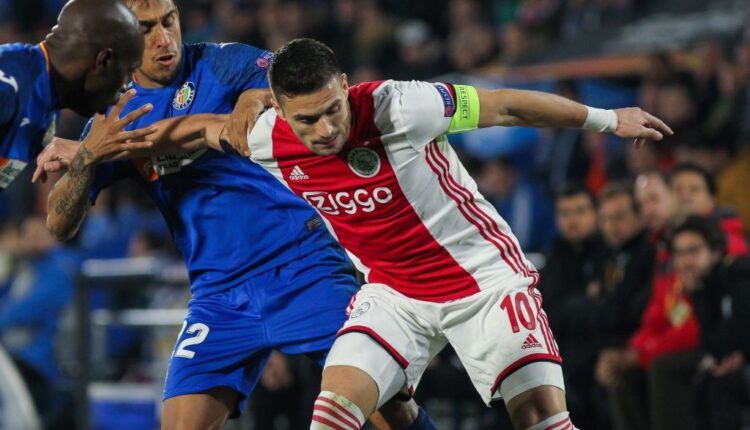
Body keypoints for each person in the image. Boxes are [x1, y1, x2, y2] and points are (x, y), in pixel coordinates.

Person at [151, 38, 671, 429]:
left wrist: (608, 119)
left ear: (345, 85)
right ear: (279, 111)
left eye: (334, 108)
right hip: (395, 295)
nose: (327, 129)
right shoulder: (265, 138)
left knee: (542, 419)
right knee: (330, 415)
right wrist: (103, 149)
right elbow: (199, 129)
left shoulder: (400, 105)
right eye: (308, 119)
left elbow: (505, 105)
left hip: (483, 283)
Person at [40, 2, 433, 429]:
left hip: (302, 266)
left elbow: (288, 86)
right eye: (146, 28)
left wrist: (256, 95)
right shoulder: (113, 115)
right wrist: (86, 160)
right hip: (218, 296)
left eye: (169, 20)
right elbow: (59, 225)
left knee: (391, 409)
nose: (164, 39)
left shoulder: (222, 63)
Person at [0, 0, 153, 192]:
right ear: (103, 61)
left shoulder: (46, 116)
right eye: (127, 71)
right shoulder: (9, 82)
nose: (125, 87)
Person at [539, 184, 607, 429]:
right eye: (565, 213)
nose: (572, 220)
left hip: (597, 347)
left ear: (595, 214)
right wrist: (585, 301)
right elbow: (549, 315)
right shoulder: (555, 256)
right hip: (562, 351)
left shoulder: (607, 252)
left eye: (580, 211)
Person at [673, 216, 750, 430]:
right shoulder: (705, 285)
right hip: (735, 365)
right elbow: (711, 342)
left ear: (716, 251)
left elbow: (735, 335)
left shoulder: (739, 277)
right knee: (705, 382)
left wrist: (738, 354)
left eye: (693, 251)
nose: (685, 261)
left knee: (720, 385)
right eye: (679, 253)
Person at [0, 216, 75, 429]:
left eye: (38, 234)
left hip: (40, 362)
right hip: (15, 356)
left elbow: (25, 310)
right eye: (28, 235)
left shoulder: (59, 269)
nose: (32, 240)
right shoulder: (25, 269)